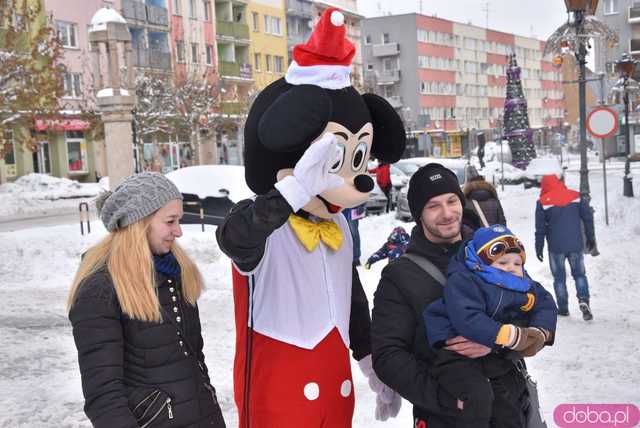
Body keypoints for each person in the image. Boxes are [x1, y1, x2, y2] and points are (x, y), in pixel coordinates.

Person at [371, 163, 531, 428]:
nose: (447, 213)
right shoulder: (400, 276)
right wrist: (450, 400)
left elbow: (529, 313)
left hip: (510, 408)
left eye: (451, 201)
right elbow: (388, 356)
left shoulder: (492, 254)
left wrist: (500, 340)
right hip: (448, 418)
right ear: (418, 214)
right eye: (433, 206)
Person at [67, 172, 226, 428]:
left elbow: (195, 363)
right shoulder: (99, 289)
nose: (179, 231)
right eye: (170, 221)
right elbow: (104, 397)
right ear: (139, 221)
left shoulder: (175, 271)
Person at [424, 224, 558, 428]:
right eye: (503, 262)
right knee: (477, 399)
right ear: (481, 262)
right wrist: (507, 335)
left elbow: (546, 304)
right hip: (457, 352)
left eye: (517, 263)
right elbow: (467, 317)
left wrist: (539, 332)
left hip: (494, 354)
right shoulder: (467, 280)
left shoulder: (523, 284)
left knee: (508, 403)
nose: (511, 268)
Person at [535, 174, 595, 321]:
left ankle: (563, 308)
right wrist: (591, 238)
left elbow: (540, 228)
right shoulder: (575, 196)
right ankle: (583, 300)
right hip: (575, 244)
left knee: (559, 278)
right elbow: (587, 218)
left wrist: (539, 247)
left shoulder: (543, 202)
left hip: (556, 247)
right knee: (579, 274)